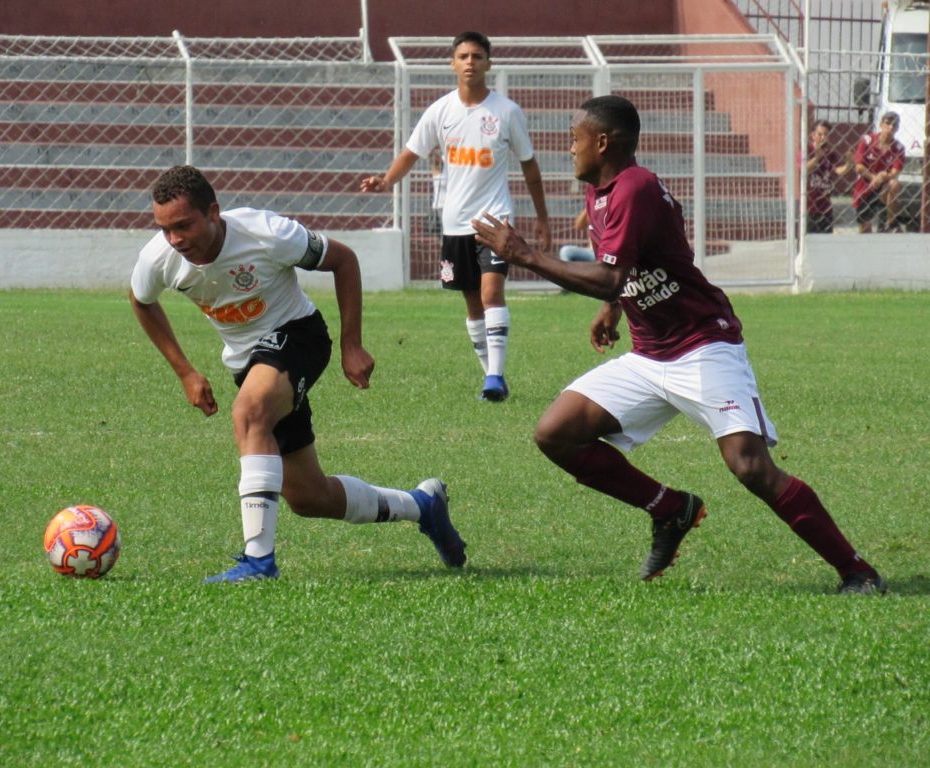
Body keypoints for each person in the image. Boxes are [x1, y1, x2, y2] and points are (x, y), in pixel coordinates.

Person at [471, 95, 886, 595]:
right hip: (650, 354)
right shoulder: (600, 191)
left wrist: (524, 255)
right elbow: (637, 263)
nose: (569, 147)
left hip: (702, 344)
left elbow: (609, 275)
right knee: (555, 432)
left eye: (575, 137)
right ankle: (671, 508)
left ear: (603, 142)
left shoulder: (635, 188)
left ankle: (857, 571)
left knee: (750, 466)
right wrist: (614, 308)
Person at [130, 165, 466, 582]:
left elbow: (343, 260)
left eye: (183, 225)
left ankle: (258, 562)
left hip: (299, 335)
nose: (175, 239)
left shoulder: (265, 232)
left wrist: (352, 344)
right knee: (309, 496)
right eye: (165, 229)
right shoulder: (160, 257)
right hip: (249, 363)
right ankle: (422, 505)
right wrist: (184, 371)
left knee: (248, 413)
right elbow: (141, 300)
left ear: (213, 212)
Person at [361, 31, 552, 402]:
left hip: (495, 220)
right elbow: (412, 153)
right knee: (472, 303)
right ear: (453, 64)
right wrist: (386, 180)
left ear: (488, 64)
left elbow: (530, 167)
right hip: (454, 224)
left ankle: (495, 376)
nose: (470, 62)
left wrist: (541, 217)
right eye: (463, 56)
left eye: (477, 56)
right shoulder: (440, 111)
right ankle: (491, 377)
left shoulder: (507, 112)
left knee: (491, 291)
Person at [853, 111, 905, 233]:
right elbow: (859, 166)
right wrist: (873, 177)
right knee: (865, 230)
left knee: (894, 184)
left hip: (883, 187)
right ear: (881, 125)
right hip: (865, 186)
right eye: (888, 123)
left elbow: (895, 172)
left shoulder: (898, 148)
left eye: (894, 125)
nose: (890, 127)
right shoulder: (867, 140)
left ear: (897, 128)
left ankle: (890, 222)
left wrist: (883, 176)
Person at [805, 119, 850, 234]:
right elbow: (804, 169)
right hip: (809, 206)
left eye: (826, 135)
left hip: (825, 207)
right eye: (820, 134)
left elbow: (837, 171)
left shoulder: (830, 153)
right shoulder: (806, 150)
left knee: (826, 238)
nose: (823, 138)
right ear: (812, 135)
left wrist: (849, 164)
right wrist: (816, 158)